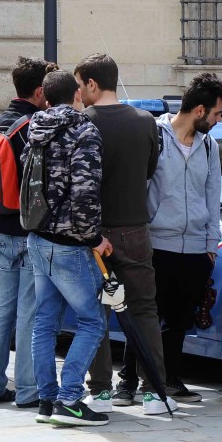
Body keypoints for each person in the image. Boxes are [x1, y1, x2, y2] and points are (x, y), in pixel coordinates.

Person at [112, 73, 222, 405]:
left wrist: (211, 246)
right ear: (199, 110)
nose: (218, 120)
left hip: (195, 248)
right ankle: (127, 381)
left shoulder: (209, 146)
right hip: (156, 244)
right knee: (144, 314)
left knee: (178, 320)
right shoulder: (155, 137)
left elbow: (212, 198)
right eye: (217, 113)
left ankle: (169, 379)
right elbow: (139, 190)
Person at [77, 53, 176, 416]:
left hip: (94, 233)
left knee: (95, 312)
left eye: (80, 84)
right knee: (144, 309)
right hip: (134, 227)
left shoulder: (84, 121)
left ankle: (101, 391)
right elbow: (150, 170)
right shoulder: (145, 121)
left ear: (92, 83)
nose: (78, 92)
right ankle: (154, 393)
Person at [25, 71, 113, 427]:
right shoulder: (84, 131)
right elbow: (85, 191)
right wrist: (94, 238)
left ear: (46, 99)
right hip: (69, 244)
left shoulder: (35, 129)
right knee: (92, 321)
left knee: (44, 323)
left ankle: (47, 400)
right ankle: (70, 398)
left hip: (37, 238)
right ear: (77, 94)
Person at [0, 57, 56, 407]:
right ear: (39, 91)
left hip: (1, 228)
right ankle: (27, 389)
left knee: (0, 308)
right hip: (29, 231)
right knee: (29, 312)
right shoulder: (35, 126)